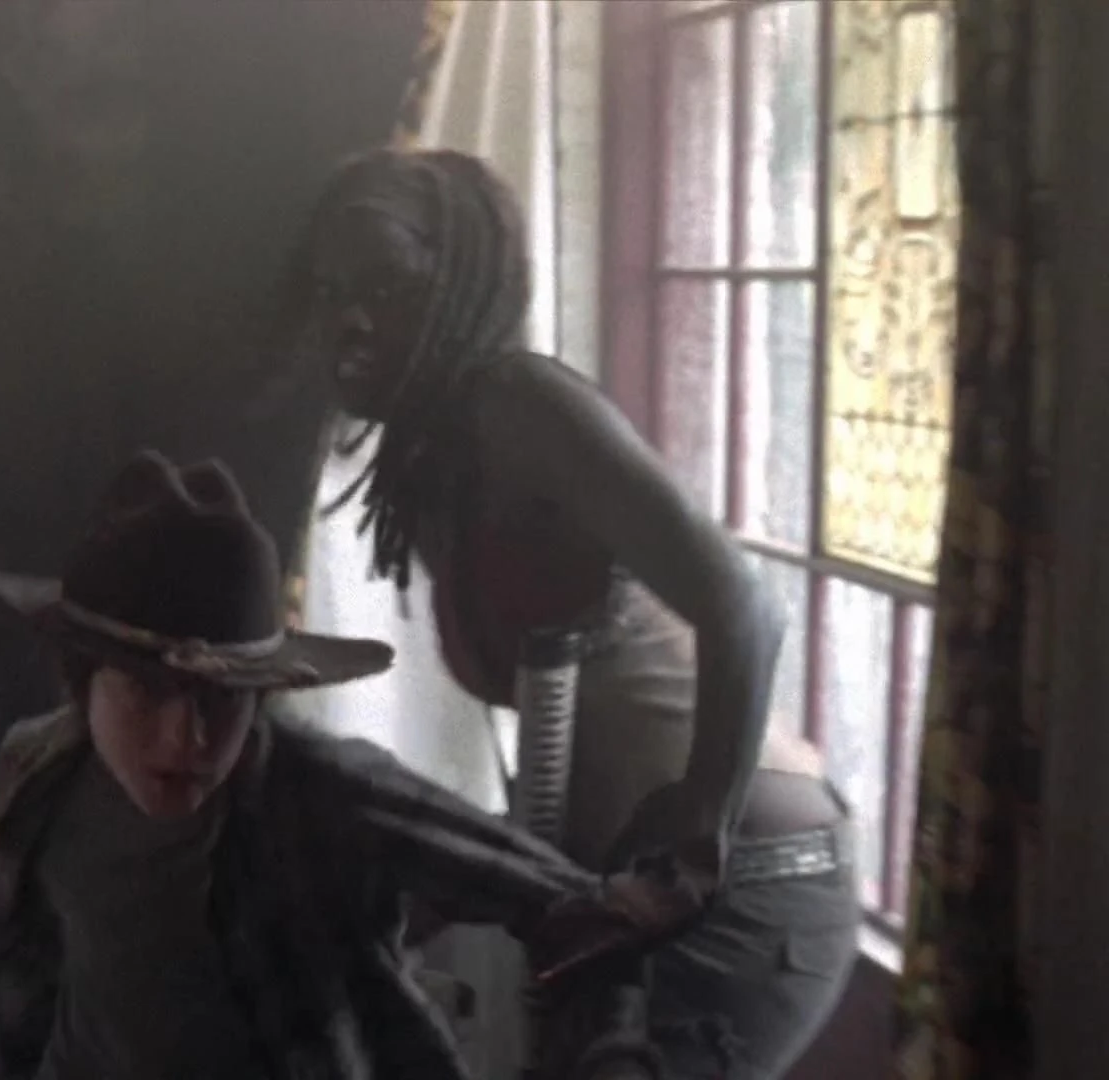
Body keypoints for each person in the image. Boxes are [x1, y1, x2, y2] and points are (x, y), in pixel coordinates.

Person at [276, 147, 860, 1078]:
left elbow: (745, 606)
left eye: (385, 285)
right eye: (330, 290)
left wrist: (698, 846)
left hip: (740, 878)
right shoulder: (433, 460)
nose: (349, 318)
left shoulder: (518, 401)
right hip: (625, 886)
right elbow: (575, 738)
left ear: (460, 284)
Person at [0, 450, 671, 1080]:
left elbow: (587, 912)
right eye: (148, 692)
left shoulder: (329, 797)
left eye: (222, 698)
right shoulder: (36, 774)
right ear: (82, 683)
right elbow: (19, 968)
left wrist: (611, 1058)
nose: (187, 737)